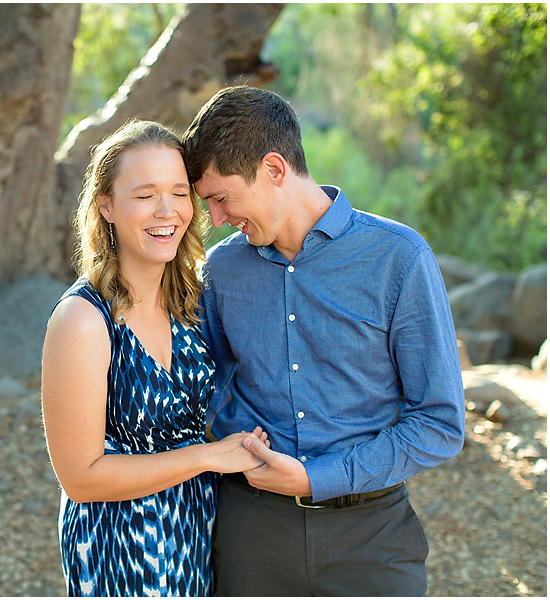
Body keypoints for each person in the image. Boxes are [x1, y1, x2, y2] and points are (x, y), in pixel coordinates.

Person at [181, 87, 466, 596]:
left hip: (373, 539)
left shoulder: (398, 259)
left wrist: (320, 478)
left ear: (273, 168)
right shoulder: (222, 271)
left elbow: (440, 424)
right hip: (251, 531)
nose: (217, 219)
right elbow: (206, 383)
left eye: (221, 198)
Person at [41, 120, 268, 597]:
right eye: (145, 195)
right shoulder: (83, 320)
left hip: (196, 531)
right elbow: (80, 477)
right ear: (106, 206)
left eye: (179, 193)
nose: (167, 211)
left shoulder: (196, 300)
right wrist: (208, 456)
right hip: (121, 547)